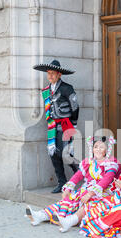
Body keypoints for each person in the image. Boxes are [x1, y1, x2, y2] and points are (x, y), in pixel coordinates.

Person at [26, 136, 121, 233]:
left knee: (91, 203)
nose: (98, 150)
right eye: (96, 147)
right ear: (92, 149)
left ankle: (69, 221)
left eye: (101, 147)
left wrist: (90, 194)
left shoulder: (111, 163)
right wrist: (68, 188)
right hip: (87, 190)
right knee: (68, 200)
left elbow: (106, 180)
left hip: (104, 193)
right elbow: (78, 175)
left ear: (107, 150)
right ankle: (40, 216)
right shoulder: (88, 162)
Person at [79, 129, 121, 238]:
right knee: (100, 204)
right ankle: (91, 226)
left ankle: (101, 229)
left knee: (120, 211)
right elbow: (119, 183)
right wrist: (117, 185)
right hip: (120, 198)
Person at [33, 59, 79, 194]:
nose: (50, 76)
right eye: (49, 73)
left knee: (67, 154)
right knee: (54, 154)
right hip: (52, 127)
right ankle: (62, 182)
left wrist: (73, 124)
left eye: (53, 73)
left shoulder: (67, 88)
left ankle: (84, 177)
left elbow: (75, 107)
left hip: (66, 126)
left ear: (59, 74)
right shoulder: (46, 91)